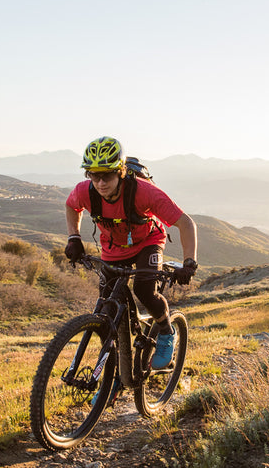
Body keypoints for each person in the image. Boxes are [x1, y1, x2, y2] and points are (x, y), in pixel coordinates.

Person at [64, 136, 198, 369]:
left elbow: (186, 223)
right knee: (107, 307)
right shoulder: (85, 191)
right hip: (114, 247)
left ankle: (166, 333)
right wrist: (73, 237)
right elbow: (71, 206)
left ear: (121, 171)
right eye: (94, 175)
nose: (101, 182)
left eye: (107, 175)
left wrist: (189, 263)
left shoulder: (144, 192)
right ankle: (114, 374)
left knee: (144, 290)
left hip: (148, 242)